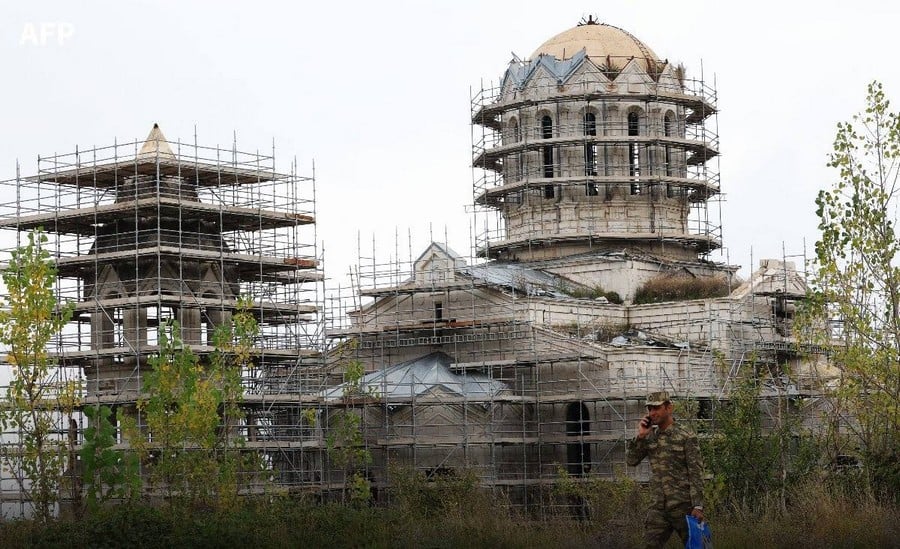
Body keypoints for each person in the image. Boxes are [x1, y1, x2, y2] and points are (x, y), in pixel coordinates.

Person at [626, 391, 705, 548]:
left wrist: (698, 505)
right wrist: (640, 436)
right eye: (650, 409)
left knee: (697, 546)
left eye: (656, 408)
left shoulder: (685, 436)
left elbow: (696, 472)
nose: (652, 413)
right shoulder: (649, 437)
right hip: (659, 508)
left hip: (684, 507)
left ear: (669, 408)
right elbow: (631, 461)